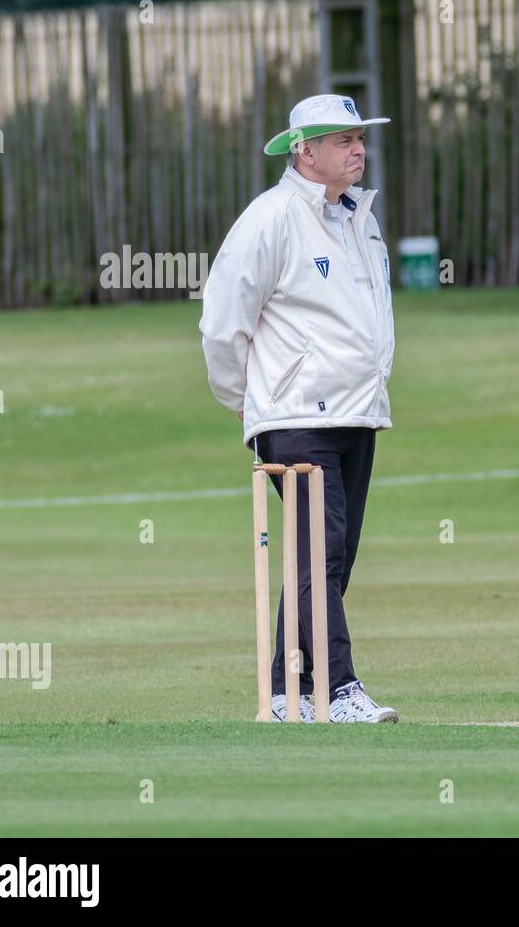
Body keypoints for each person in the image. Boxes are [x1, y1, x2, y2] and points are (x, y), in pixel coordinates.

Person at [199, 94, 398, 724]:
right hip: (295, 418)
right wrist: (247, 404)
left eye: (359, 137)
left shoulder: (358, 217)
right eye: (341, 140)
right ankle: (339, 690)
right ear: (303, 150)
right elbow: (221, 323)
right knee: (322, 554)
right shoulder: (271, 218)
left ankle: (288, 693)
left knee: (327, 559)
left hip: (355, 411)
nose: (357, 148)